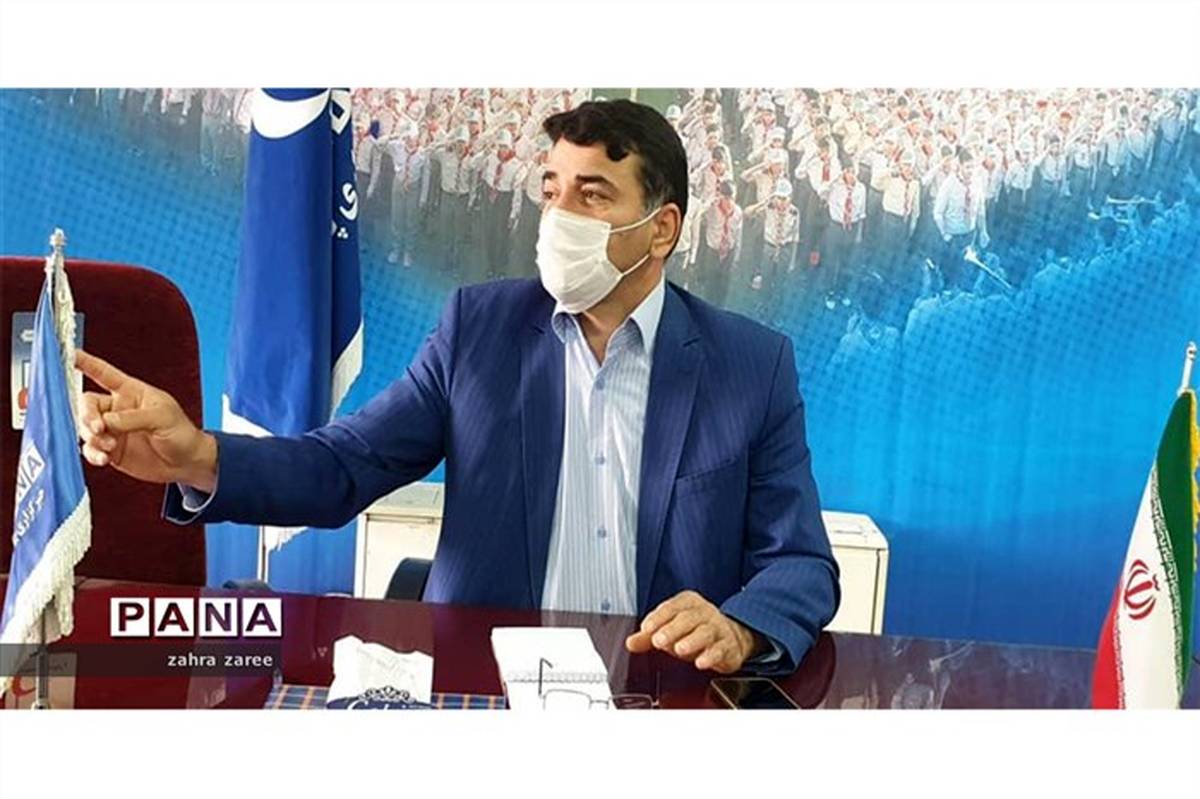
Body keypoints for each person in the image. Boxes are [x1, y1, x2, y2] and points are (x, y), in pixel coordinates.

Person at [76, 99, 839, 676]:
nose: (559, 217)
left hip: (660, 695)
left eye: (593, 195)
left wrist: (740, 628)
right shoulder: (481, 329)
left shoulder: (750, 365)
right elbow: (344, 465)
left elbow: (800, 563)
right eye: (551, 191)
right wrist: (199, 455)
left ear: (661, 229)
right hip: (490, 687)